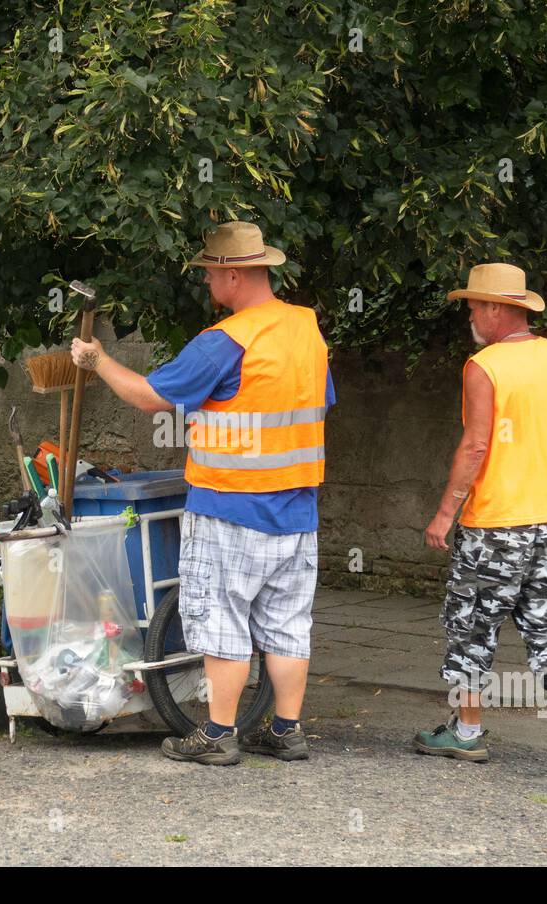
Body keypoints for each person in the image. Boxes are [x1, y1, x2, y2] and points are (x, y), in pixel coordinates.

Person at [70, 220, 334, 766]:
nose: (207, 282)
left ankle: (217, 734)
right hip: (298, 510)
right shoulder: (306, 329)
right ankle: (286, 730)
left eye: (210, 272)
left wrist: (97, 361)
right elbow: (317, 403)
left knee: (221, 620)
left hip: (229, 507)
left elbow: (148, 397)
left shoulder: (224, 343)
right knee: (287, 623)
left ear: (233, 274)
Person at [415, 262, 547, 777]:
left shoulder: (484, 366)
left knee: (471, 628)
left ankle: (465, 734)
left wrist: (445, 513)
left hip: (495, 523)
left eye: (473, 307)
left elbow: (478, 443)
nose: (469, 317)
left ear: (496, 309)